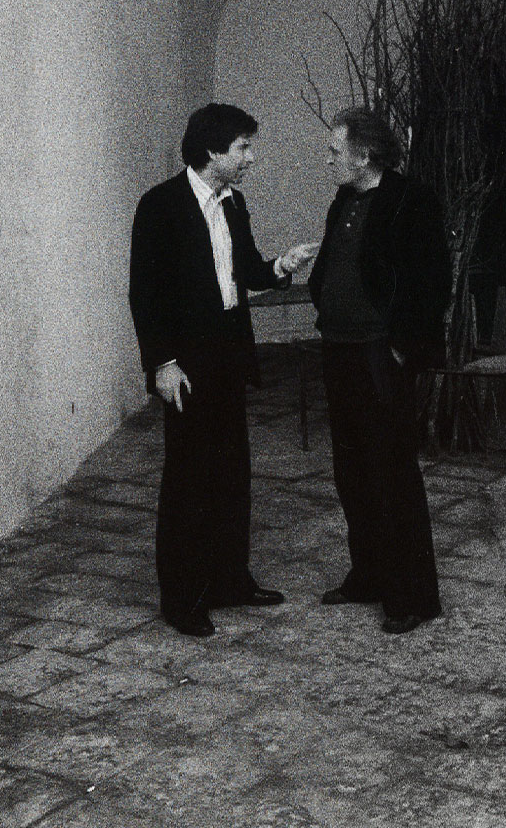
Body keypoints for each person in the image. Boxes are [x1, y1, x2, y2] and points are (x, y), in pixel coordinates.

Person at [128, 103, 317, 637]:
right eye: (243, 147)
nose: (251, 158)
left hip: (228, 355)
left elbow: (246, 269)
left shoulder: (234, 203)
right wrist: (163, 364)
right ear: (213, 150)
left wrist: (279, 266)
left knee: (231, 474)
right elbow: (144, 294)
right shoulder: (161, 205)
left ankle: (230, 581)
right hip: (186, 362)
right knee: (189, 481)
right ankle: (183, 599)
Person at [308, 109, 452, 634]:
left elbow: (432, 282)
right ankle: (368, 575)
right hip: (339, 349)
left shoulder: (412, 200)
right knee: (351, 471)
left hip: (380, 355)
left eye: (335, 151)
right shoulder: (344, 199)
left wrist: (403, 349)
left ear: (364, 154)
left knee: (392, 473)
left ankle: (411, 597)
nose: (328, 160)